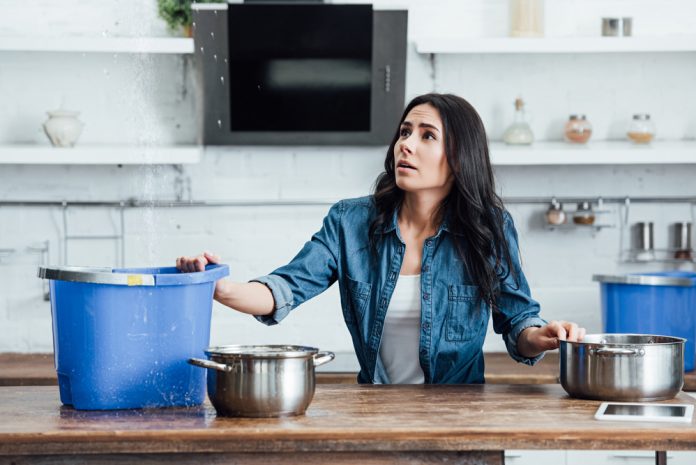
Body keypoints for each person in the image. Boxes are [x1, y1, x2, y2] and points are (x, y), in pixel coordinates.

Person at [176, 93, 586, 384]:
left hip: (460, 414)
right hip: (377, 408)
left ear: (461, 157)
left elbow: (518, 323)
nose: (405, 144)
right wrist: (218, 287)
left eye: (427, 135)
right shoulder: (350, 222)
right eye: (405, 132)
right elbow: (283, 289)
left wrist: (544, 338)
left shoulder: (489, 227)